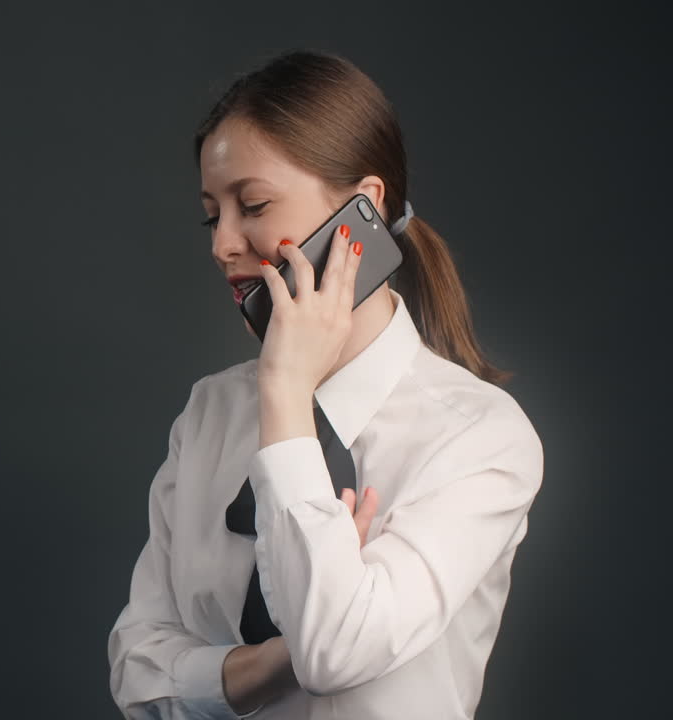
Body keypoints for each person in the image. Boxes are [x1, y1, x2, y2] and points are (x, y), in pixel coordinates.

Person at [106, 49, 544, 719]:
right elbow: (138, 673)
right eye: (210, 214)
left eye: (252, 204)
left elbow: (332, 653)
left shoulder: (480, 435)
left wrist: (284, 394)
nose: (222, 244)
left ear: (362, 211)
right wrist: (281, 659)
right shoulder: (210, 412)